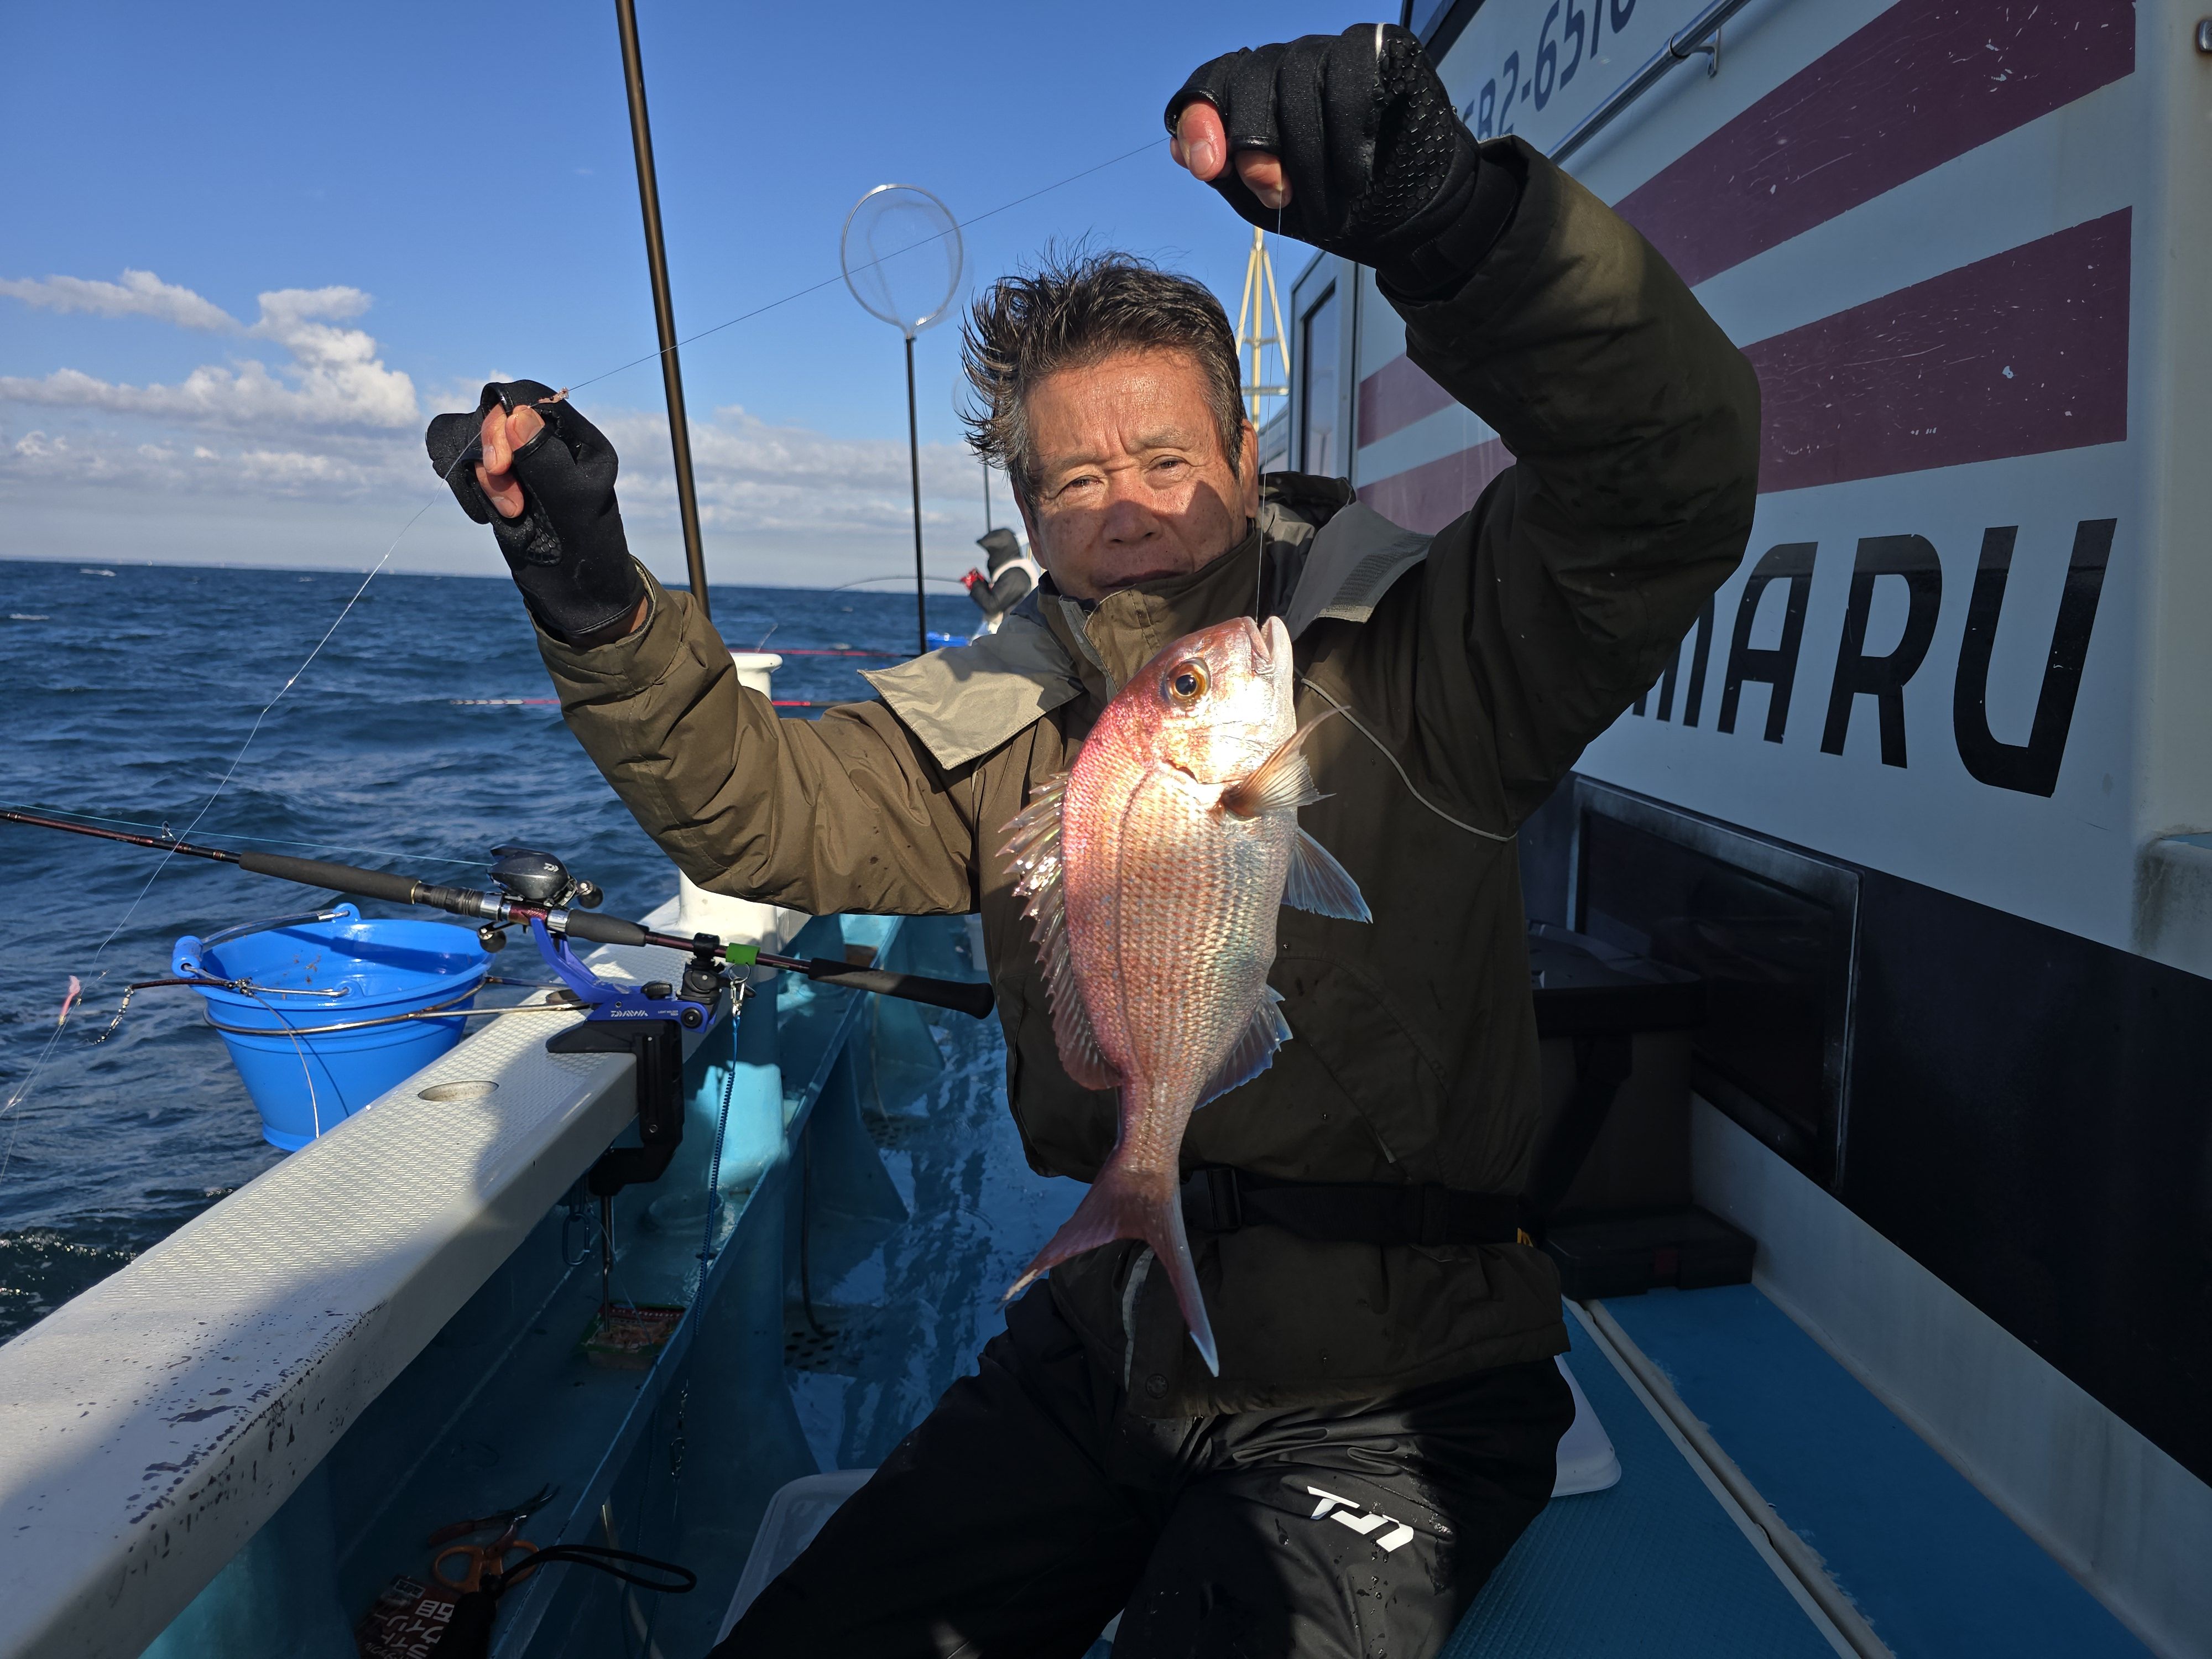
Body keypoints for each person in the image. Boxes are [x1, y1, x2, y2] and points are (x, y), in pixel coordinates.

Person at [425, 24, 1758, 1657]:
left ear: (1248, 456)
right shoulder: (1008, 720)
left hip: (1401, 1384)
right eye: (1072, 480)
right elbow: (756, 806)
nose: (1123, 507)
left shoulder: (1440, 657)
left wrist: (1459, 227)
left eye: (1167, 459)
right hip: (1102, 1349)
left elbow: (1660, 478)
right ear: (1028, 512)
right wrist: (596, 602)